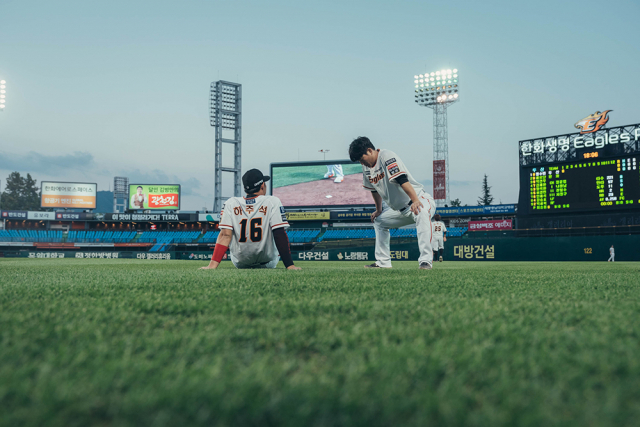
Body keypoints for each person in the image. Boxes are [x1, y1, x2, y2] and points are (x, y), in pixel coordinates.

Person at [349, 136, 436, 269]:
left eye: (362, 159)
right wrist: (378, 210)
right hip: (400, 210)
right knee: (379, 221)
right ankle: (383, 262)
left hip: (419, 199)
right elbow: (374, 190)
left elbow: (402, 179)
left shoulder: (386, 156)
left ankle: (425, 261)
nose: (362, 163)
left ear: (369, 150)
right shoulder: (366, 168)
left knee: (422, 213)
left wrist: (416, 200)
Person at [200, 169, 301, 270]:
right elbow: (279, 233)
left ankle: (213, 265)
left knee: (227, 233)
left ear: (245, 189)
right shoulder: (272, 201)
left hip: (240, 263)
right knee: (277, 228)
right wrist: (289, 265)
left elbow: (225, 235)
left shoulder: (230, 203)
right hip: (268, 263)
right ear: (262, 186)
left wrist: (212, 266)